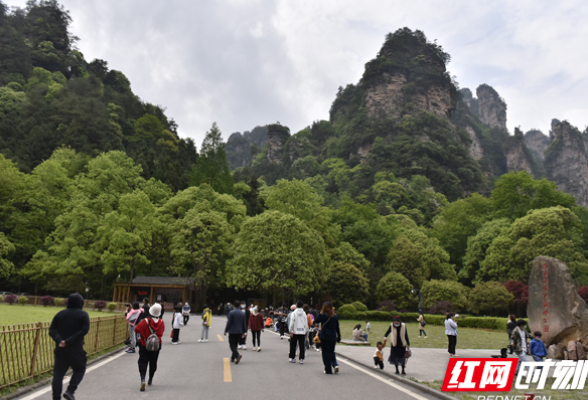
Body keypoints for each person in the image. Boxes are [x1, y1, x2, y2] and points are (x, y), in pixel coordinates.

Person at [49, 293, 90, 400]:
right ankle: (70, 391)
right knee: (80, 368)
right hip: (76, 349)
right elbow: (84, 330)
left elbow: (52, 330)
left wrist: (60, 341)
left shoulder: (60, 314)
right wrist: (68, 341)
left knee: (58, 375)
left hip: (60, 349)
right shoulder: (83, 315)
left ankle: (56, 397)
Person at [134, 303, 165, 391]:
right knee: (153, 362)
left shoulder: (145, 321)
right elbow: (161, 333)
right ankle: (150, 379)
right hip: (156, 346)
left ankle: (142, 379)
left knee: (143, 362)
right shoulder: (161, 322)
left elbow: (136, 329)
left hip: (144, 344)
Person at [314, 301, 341, 374]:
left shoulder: (323, 315)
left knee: (325, 353)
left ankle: (328, 369)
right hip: (333, 337)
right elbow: (337, 327)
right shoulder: (335, 316)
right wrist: (339, 336)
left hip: (325, 337)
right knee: (331, 351)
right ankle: (334, 364)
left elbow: (316, 321)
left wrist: (320, 313)